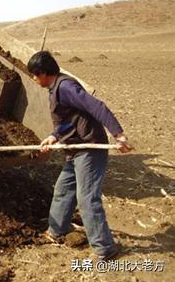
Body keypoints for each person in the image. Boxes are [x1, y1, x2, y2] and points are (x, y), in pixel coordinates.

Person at [27, 51, 132, 260]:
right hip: (74, 149)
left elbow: (96, 106)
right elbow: (68, 120)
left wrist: (118, 134)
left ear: (44, 73)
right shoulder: (54, 88)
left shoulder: (65, 87)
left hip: (89, 150)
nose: (33, 78)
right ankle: (57, 231)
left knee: (87, 199)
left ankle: (105, 249)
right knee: (63, 190)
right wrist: (53, 136)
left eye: (34, 75)